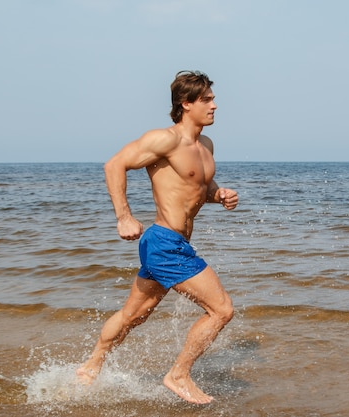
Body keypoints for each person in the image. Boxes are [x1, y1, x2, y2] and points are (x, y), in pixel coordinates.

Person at [76, 71, 238, 404]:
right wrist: (124, 216)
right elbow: (114, 165)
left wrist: (219, 194)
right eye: (206, 99)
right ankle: (178, 375)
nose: (214, 106)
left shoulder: (206, 145)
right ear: (186, 103)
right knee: (221, 310)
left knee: (133, 316)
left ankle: (92, 365)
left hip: (171, 244)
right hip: (164, 241)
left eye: (212, 98)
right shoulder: (165, 140)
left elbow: (198, 189)